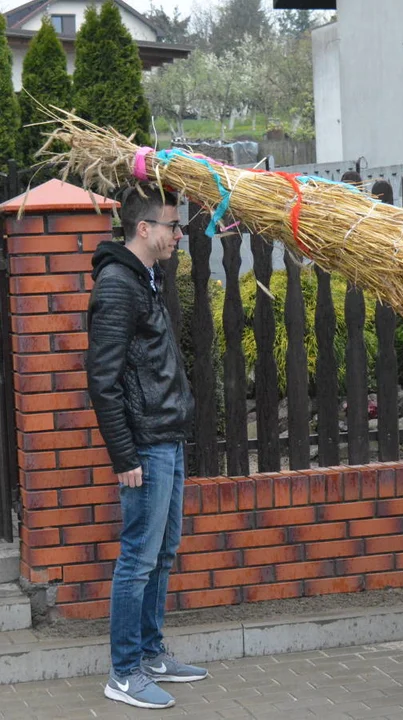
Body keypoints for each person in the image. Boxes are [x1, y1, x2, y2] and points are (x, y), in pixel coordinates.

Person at [87, 185, 206, 709]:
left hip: (167, 438)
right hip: (145, 448)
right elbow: (103, 380)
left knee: (163, 552)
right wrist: (124, 456)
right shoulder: (117, 286)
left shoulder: (145, 279)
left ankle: (153, 654)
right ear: (144, 229)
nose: (178, 235)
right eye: (171, 227)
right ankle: (125, 671)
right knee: (138, 557)